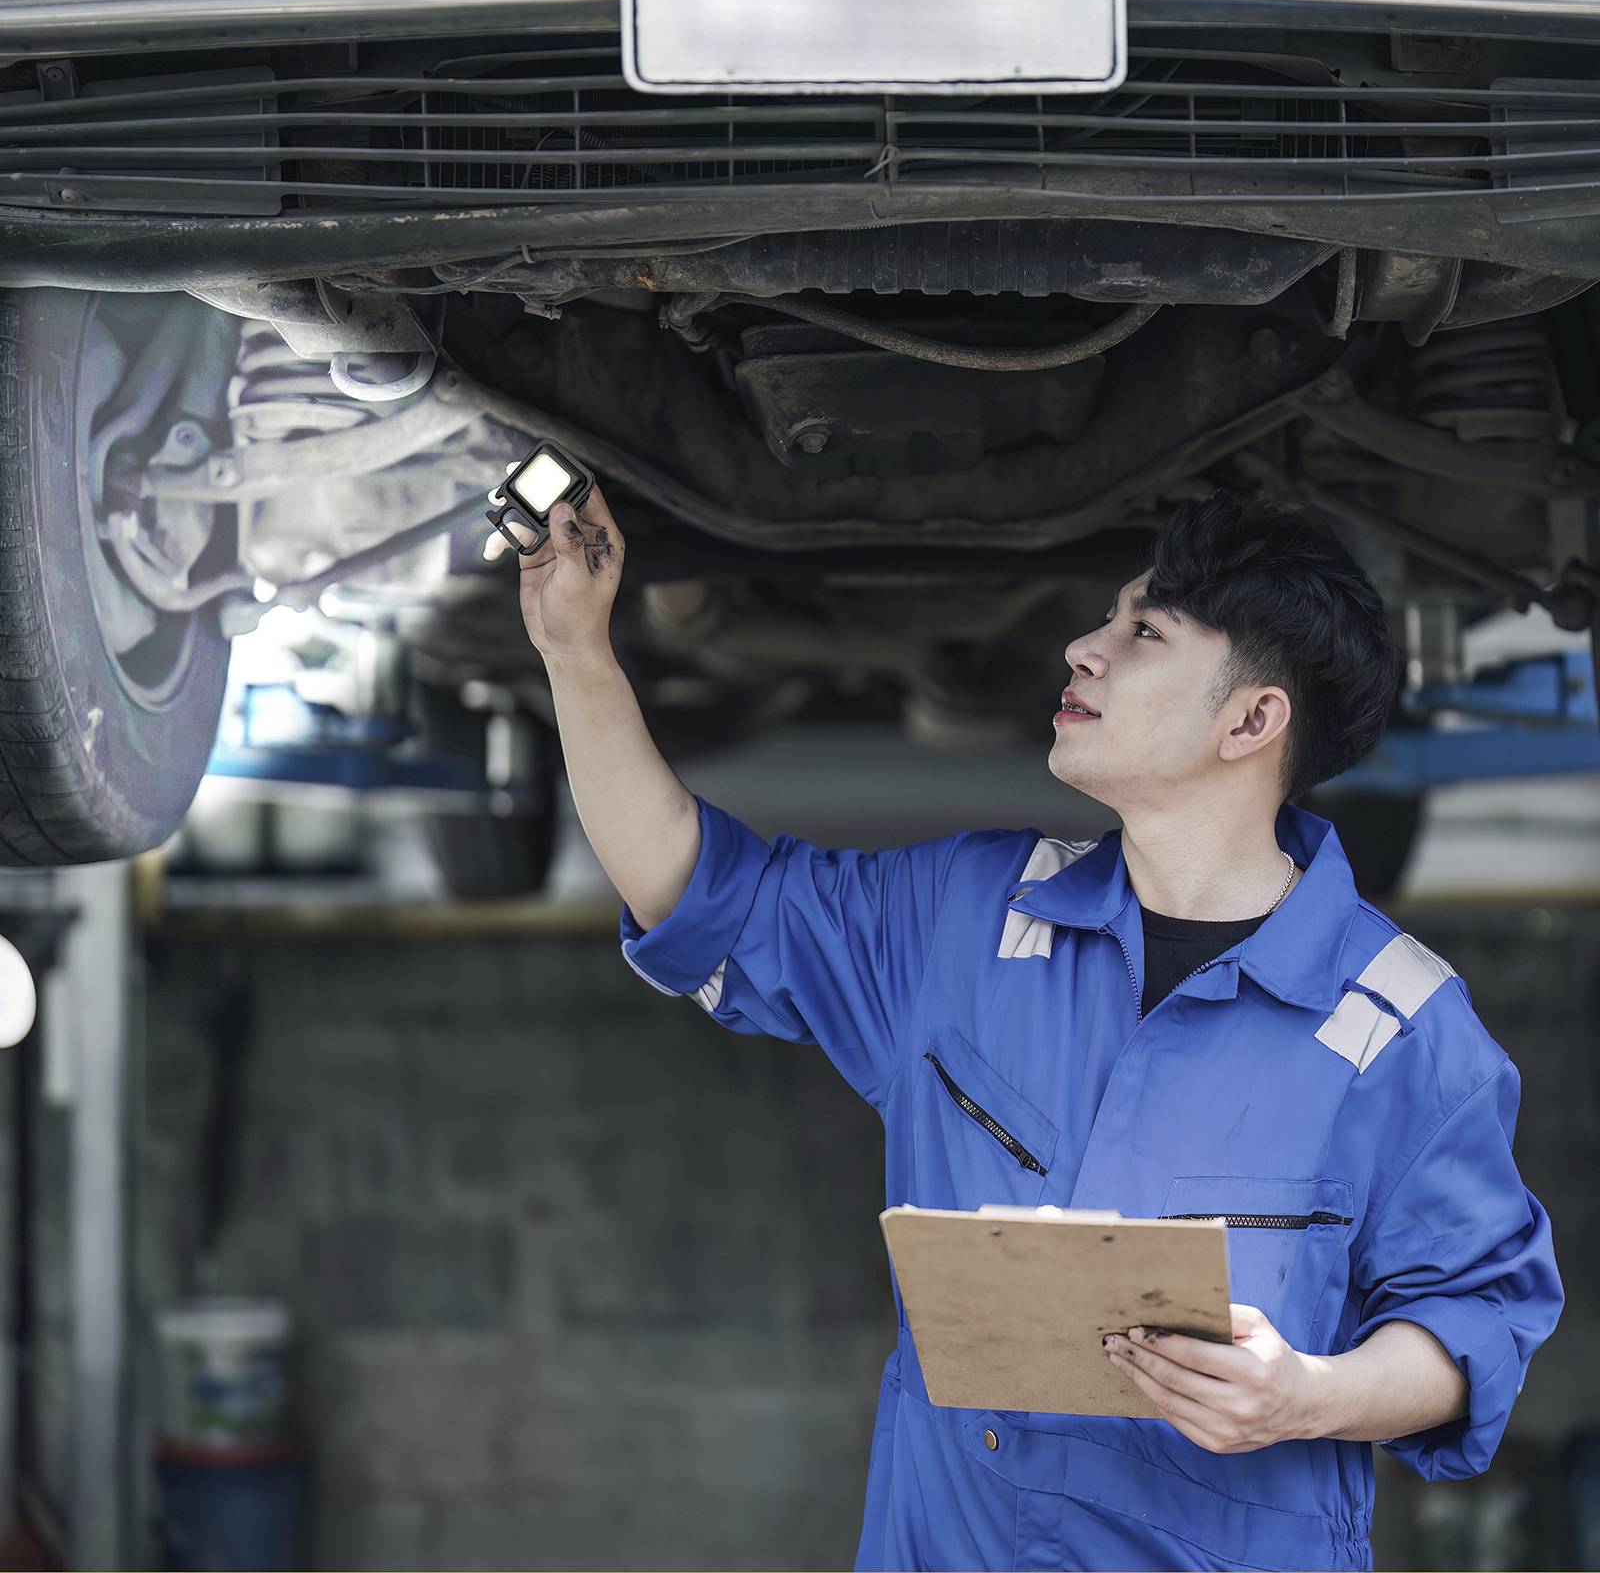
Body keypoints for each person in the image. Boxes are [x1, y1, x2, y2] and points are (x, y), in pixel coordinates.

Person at [484, 484, 1563, 1572]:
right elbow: (697, 893)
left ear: (1251, 720)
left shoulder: (1400, 1024)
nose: (1083, 647)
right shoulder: (969, 919)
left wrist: (1308, 1396)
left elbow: (1477, 1323)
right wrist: (576, 648)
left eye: (1141, 631)